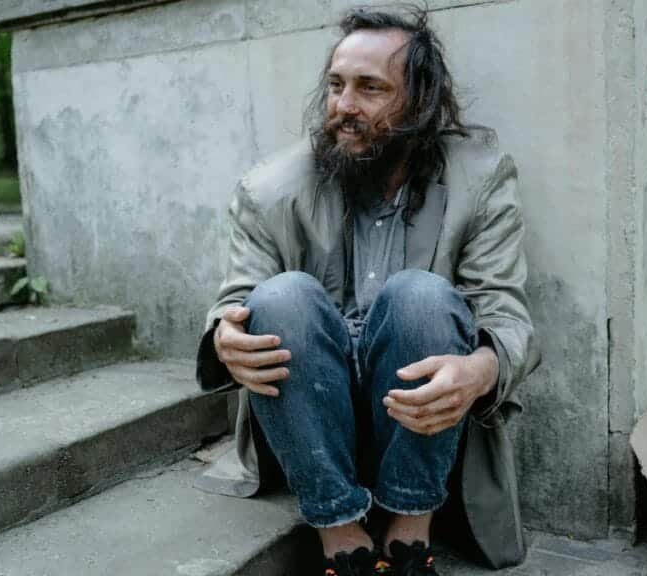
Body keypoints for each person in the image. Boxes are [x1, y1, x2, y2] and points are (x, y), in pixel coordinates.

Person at [195, 6, 537, 575]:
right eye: (335, 85)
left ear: (421, 101)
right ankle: (343, 542)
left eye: (370, 88)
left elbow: (508, 319)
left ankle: (409, 541)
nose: (343, 107)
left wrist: (481, 369)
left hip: (418, 421)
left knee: (422, 296)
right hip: (309, 414)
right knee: (279, 298)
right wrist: (226, 338)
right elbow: (236, 299)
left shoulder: (481, 178)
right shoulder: (268, 190)